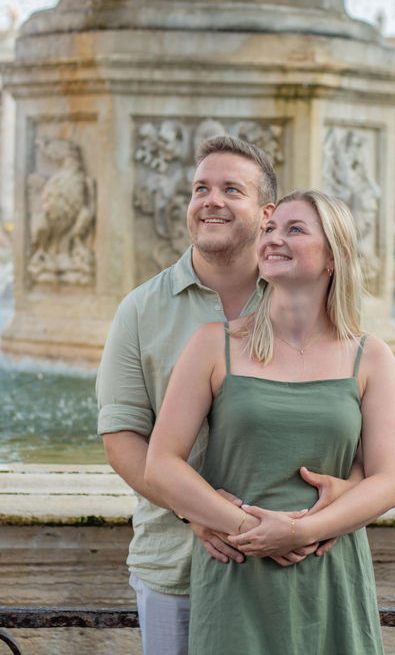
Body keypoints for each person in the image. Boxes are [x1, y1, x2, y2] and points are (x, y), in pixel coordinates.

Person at [97, 138, 363, 655]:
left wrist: (336, 508)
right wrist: (195, 512)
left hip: (300, 561)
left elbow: (356, 427)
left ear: (267, 213)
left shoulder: (306, 294)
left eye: (230, 189)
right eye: (201, 188)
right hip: (175, 563)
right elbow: (121, 438)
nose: (210, 200)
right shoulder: (140, 309)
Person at [145, 190, 395, 654]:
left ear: (334, 256)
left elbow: (387, 483)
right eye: (269, 229)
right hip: (236, 573)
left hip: (330, 574)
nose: (272, 238)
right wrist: (247, 527)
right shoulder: (213, 344)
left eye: (294, 229)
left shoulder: (372, 357)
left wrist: (300, 532)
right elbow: (161, 464)